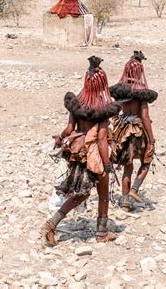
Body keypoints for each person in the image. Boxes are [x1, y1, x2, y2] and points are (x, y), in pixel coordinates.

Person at [42, 56, 121, 246]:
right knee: (101, 193)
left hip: (77, 153)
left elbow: (69, 130)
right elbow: (102, 138)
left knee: (81, 192)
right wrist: (108, 165)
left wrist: (60, 138)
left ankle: (53, 223)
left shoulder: (77, 105)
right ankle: (100, 232)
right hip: (94, 155)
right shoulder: (102, 109)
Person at [109, 51, 158, 212]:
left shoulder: (121, 90)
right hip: (137, 131)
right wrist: (151, 139)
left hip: (123, 129)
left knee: (127, 165)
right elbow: (145, 116)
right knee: (146, 160)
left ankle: (125, 202)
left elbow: (115, 110)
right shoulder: (141, 92)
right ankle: (134, 189)